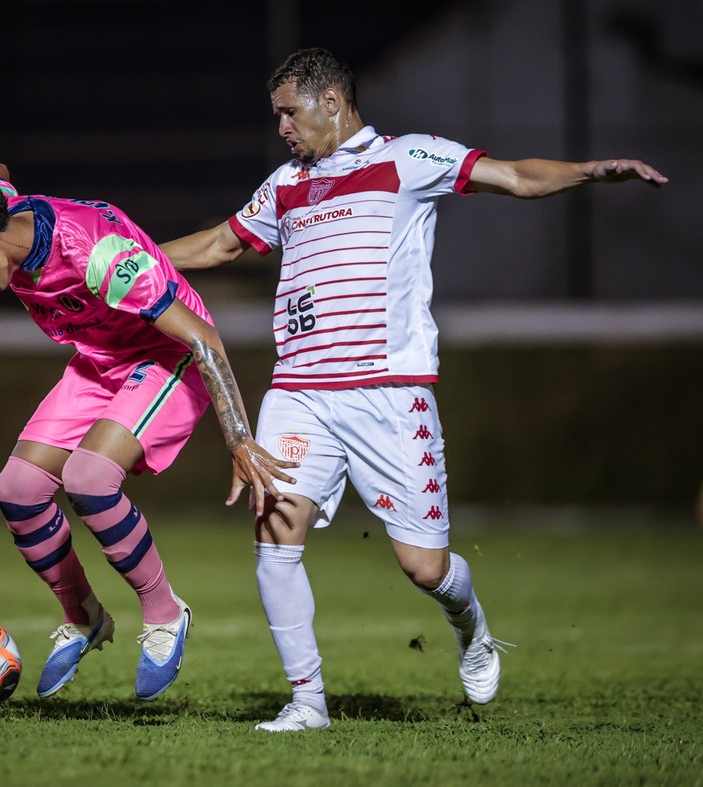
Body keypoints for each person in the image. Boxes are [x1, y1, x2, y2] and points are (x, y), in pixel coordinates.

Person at [159, 47, 668, 732]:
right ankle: (307, 703)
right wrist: (129, 256)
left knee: (424, 567)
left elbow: (515, 177)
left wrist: (590, 171)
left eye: (289, 112)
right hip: (301, 390)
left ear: (331, 103)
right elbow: (222, 243)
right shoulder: (284, 183)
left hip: (389, 394)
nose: (281, 126)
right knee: (275, 534)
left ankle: (472, 626)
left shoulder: (409, 160)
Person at [0, 162, 297, 702]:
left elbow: (204, 338)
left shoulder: (96, 255)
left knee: (90, 477)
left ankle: (165, 615)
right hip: (98, 360)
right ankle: (85, 617)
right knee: (17, 492)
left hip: (164, 357)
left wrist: (237, 437)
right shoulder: (1, 214)